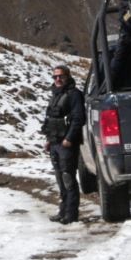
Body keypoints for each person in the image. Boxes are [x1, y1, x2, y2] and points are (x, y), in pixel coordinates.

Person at [42, 65, 87, 223]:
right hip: (54, 142)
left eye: (61, 76)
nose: (58, 79)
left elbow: (78, 118)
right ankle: (63, 211)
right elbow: (50, 120)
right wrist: (48, 140)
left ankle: (71, 214)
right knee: (60, 179)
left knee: (68, 178)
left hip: (67, 143)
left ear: (68, 76)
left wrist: (69, 138)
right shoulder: (54, 95)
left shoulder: (74, 94)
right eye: (55, 77)